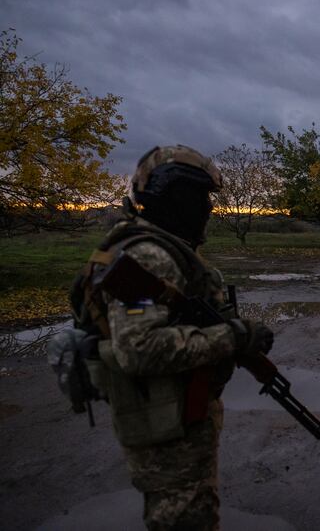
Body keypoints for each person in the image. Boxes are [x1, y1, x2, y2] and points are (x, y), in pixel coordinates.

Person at [77, 145, 272, 530]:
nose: (208, 208)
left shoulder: (164, 249)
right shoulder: (150, 256)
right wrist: (232, 337)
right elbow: (140, 349)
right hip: (166, 431)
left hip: (176, 419)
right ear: (173, 195)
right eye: (199, 196)